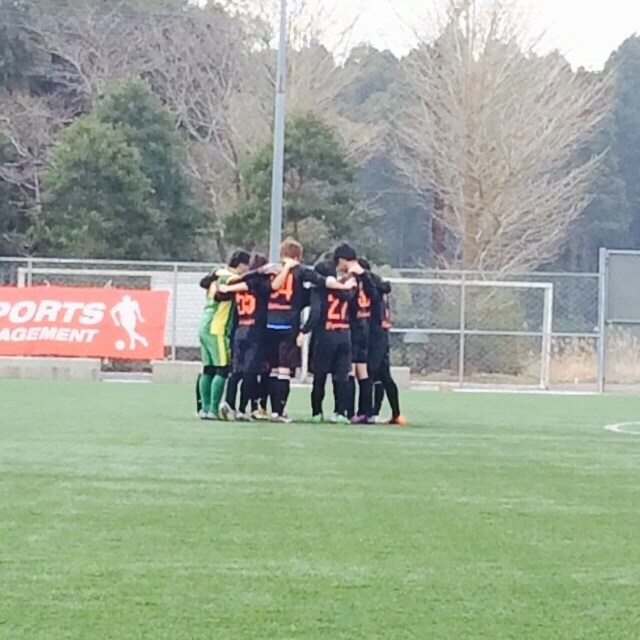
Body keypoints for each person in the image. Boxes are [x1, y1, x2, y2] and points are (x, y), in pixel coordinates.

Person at [243, 238, 354, 423]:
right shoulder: (300, 270)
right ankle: (278, 411)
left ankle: (260, 407)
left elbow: (250, 280)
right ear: (297, 256)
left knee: (271, 369)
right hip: (288, 325)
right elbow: (322, 281)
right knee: (284, 370)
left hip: (268, 324)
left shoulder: (272, 269)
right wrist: (343, 286)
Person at [299, 260, 356, 424]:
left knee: (320, 376)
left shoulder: (319, 290)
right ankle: (340, 412)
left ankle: (317, 412)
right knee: (341, 377)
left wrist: (304, 330)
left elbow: (315, 313)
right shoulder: (346, 289)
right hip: (344, 333)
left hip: (325, 334)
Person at [217, 253, 272, 421]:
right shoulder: (260, 284)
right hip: (255, 330)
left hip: (240, 328)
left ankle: (229, 403)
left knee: (236, 371)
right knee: (250, 372)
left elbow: (220, 294)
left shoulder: (238, 283)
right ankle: (242, 408)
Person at [197, 250, 250, 420]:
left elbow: (203, 282)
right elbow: (247, 285)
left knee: (208, 368)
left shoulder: (217, 273)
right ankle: (213, 409)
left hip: (204, 324)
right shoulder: (231, 278)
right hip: (217, 327)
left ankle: (204, 409)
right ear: (241, 265)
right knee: (222, 368)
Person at [333, 243, 380, 424]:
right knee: (362, 369)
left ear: (343, 260)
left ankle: (350, 411)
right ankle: (366, 412)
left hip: (353, 325)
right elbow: (375, 295)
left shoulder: (351, 278)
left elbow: (347, 298)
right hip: (365, 324)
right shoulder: (366, 276)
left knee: (350, 369)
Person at [360, 258, 406, 426]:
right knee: (383, 376)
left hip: (377, 335)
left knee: (372, 373)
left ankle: (371, 412)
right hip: (383, 334)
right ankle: (393, 413)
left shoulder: (373, 289)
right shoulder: (380, 287)